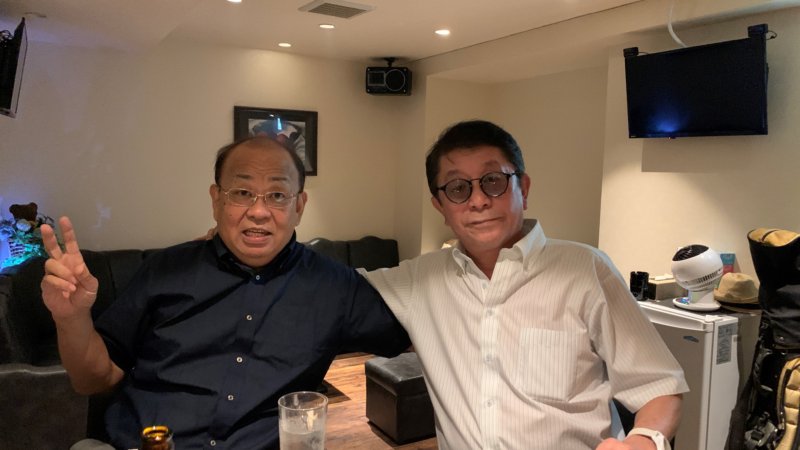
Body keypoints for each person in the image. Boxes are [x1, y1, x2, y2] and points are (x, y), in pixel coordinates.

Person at [40, 136, 410, 450]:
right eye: (243, 193)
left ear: (299, 206)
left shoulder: (334, 286)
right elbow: (92, 379)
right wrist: (71, 318)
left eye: (277, 195)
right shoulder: (164, 270)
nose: (259, 211)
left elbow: (415, 331)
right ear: (216, 200)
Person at [362, 120, 689, 450]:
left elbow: (659, 384)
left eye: (493, 181)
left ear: (524, 189)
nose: (478, 200)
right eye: (458, 188)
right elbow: (335, 288)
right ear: (440, 207)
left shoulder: (586, 270)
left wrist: (642, 442)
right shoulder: (420, 279)